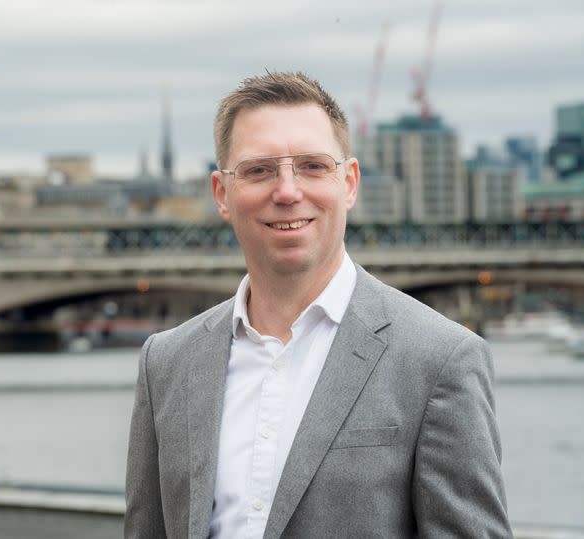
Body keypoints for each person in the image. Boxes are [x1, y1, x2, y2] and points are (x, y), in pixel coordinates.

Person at [125, 71, 511, 538]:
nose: (287, 192)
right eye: (258, 169)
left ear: (348, 183)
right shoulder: (166, 362)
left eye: (312, 166)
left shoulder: (439, 360)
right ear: (221, 194)